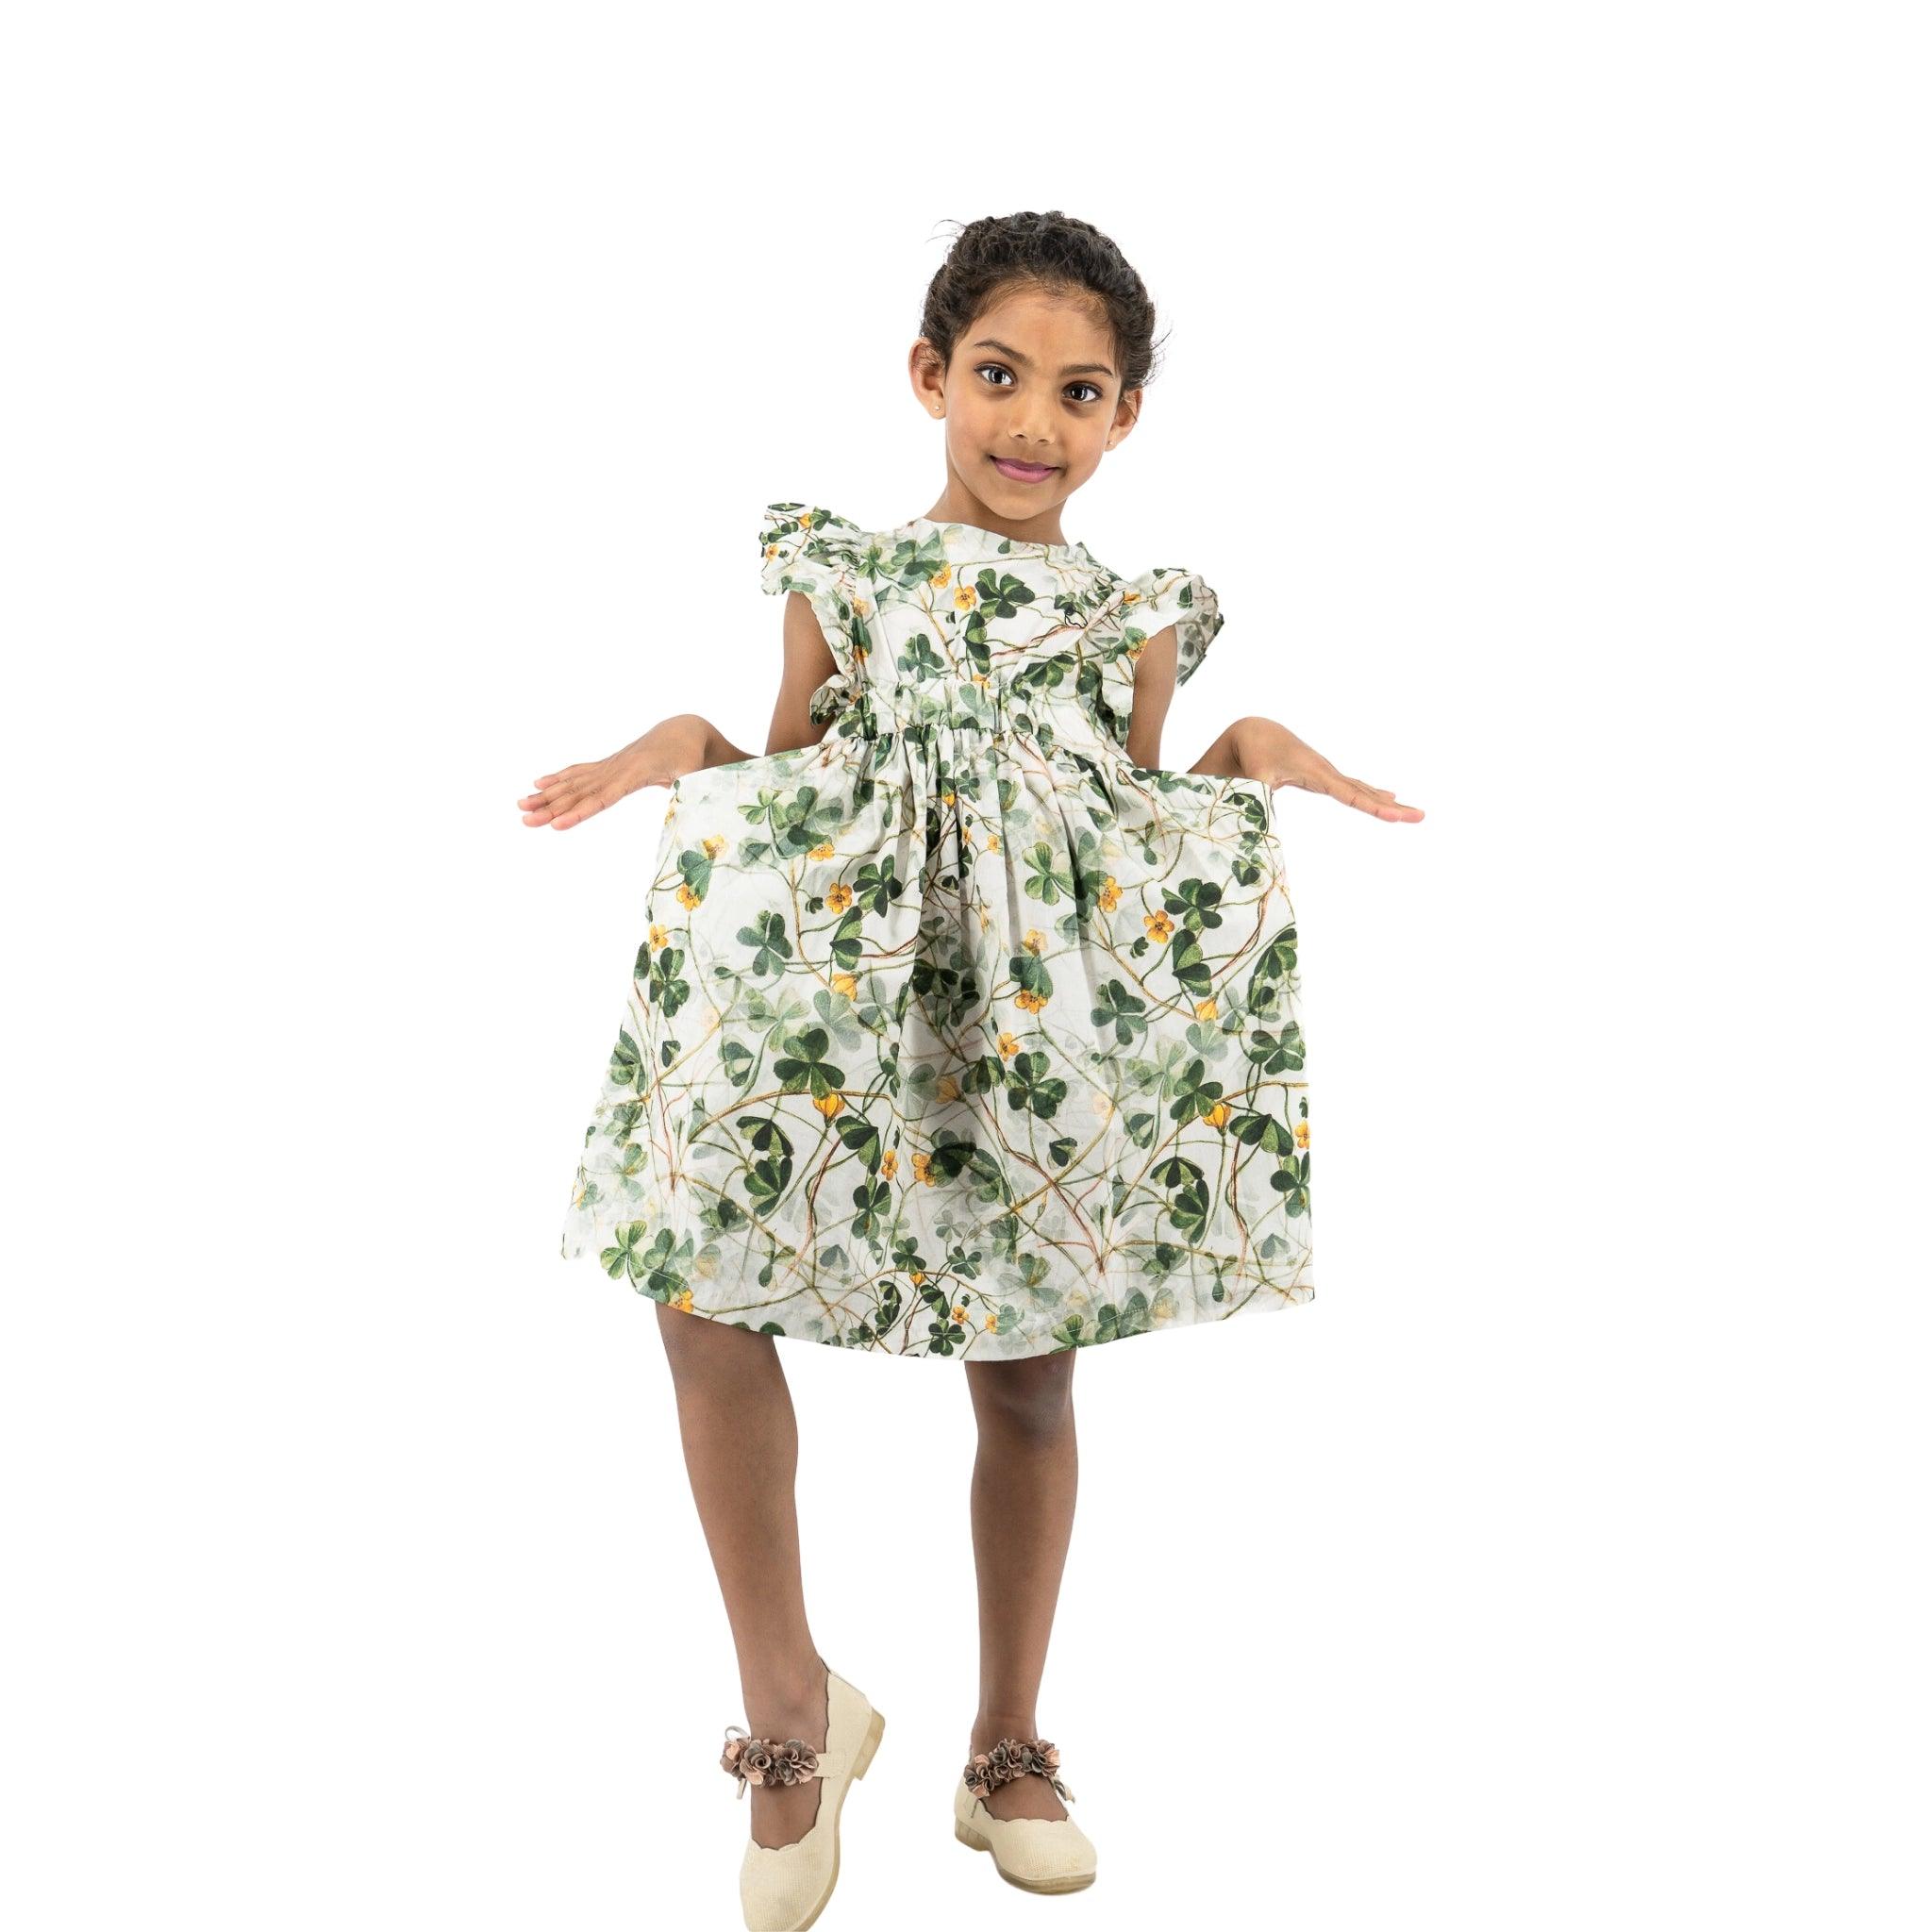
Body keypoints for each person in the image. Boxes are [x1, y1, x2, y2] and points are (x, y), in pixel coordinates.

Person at [522, 209, 1422, 1932]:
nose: (1033, 423)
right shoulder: (844, 569)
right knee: (700, 1296)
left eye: (1080, 393)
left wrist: (1250, 755)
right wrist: (666, 749)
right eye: (998, 377)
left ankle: (1008, 1741)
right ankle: (794, 1716)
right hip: (832, 998)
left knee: (1026, 1375)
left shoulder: (1131, 612)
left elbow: (1138, 820)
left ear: (1126, 419)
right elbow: (785, 773)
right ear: (930, 378)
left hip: (1031, 1029)